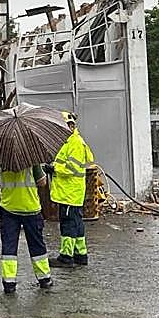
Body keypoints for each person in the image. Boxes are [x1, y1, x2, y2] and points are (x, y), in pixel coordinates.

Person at [0, 162, 53, 293]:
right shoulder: (31, 161)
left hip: (8, 209)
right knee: (36, 245)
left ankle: (9, 283)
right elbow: (42, 183)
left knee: (9, 247)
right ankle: (44, 279)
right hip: (31, 209)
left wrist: (0, 204)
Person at [50, 112, 94, 267]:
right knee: (76, 223)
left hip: (69, 193)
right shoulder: (70, 141)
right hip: (71, 192)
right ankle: (80, 254)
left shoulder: (74, 142)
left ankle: (66, 257)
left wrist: (53, 168)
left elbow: (73, 168)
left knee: (68, 224)